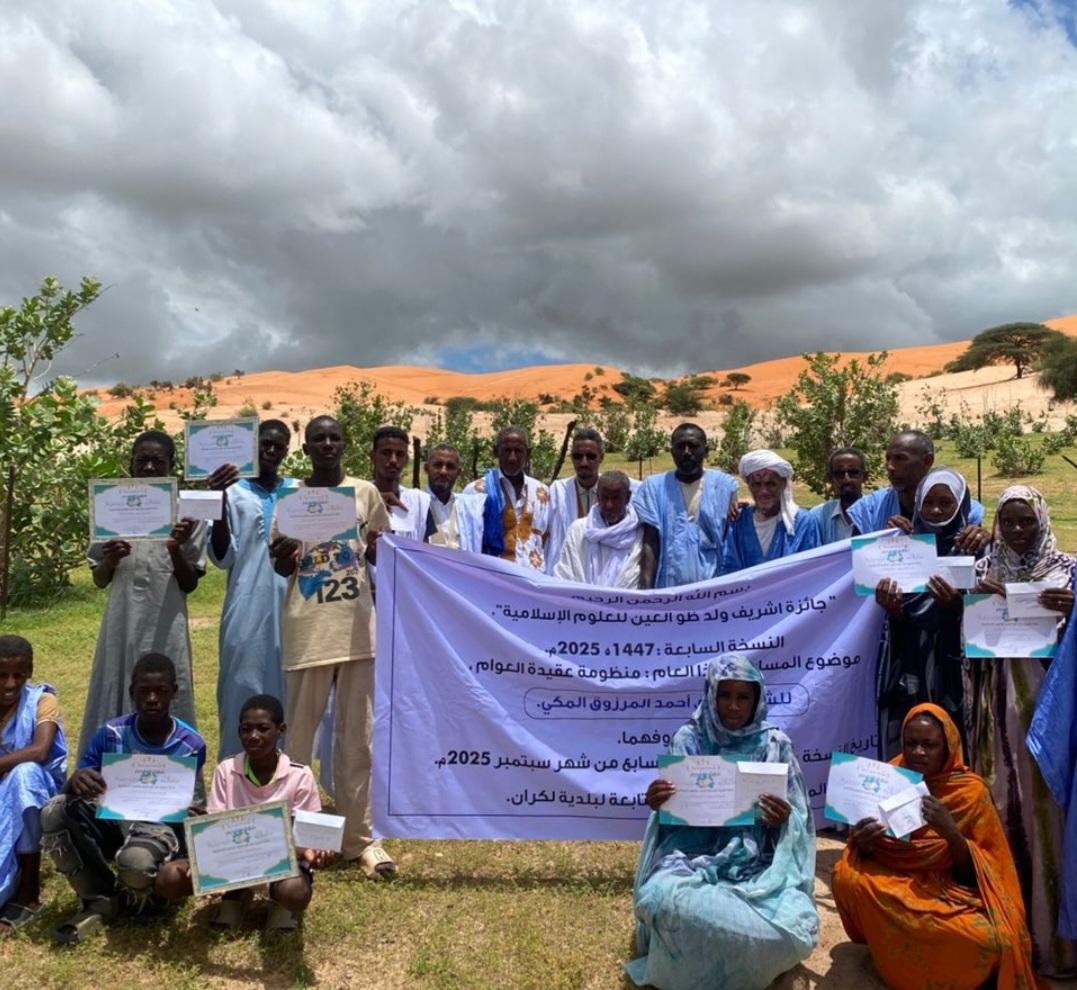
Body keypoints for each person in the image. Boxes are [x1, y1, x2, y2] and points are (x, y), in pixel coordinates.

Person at [627, 654, 818, 990]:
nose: (733, 706)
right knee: (659, 896)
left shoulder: (775, 745)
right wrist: (660, 803)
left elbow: (800, 823)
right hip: (689, 859)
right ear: (710, 694)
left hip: (759, 867)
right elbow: (674, 821)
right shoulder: (689, 739)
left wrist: (783, 819)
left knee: (794, 926)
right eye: (724, 695)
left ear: (757, 700)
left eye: (743, 697)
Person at [832, 703, 1040, 990]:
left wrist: (950, 833)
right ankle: (890, 958)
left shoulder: (970, 792)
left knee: (993, 941)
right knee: (845, 877)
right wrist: (864, 841)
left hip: (949, 890)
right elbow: (872, 850)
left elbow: (983, 872)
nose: (918, 752)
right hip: (896, 880)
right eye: (911, 743)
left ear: (948, 747)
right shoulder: (889, 776)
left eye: (929, 745)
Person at [269, 415, 394, 879]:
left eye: (334, 438)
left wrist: (378, 546)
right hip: (308, 630)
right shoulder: (291, 498)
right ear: (305, 449)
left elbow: (379, 552)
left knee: (357, 740)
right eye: (317, 438)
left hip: (358, 631)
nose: (326, 444)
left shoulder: (365, 493)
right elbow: (281, 567)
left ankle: (358, 839)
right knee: (298, 743)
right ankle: (295, 838)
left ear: (344, 444)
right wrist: (283, 555)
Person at [965, 486, 1076, 975]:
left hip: (1048, 722)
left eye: (1026, 521)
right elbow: (966, 645)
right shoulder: (982, 570)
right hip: (995, 721)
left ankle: (1054, 948)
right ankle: (1009, 945)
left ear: (1042, 520)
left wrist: (1073, 610)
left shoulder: (1067, 573)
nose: (1016, 531)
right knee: (1001, 816)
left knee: (1047, 819)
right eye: (1007, 521)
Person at [41, 654, 206, 944]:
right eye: (144, 691)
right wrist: (76, 779)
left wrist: (189, 812)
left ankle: (149, 898)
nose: (152, 699)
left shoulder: (191, 744)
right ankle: (100, 896)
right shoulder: (111, 734)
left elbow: (183, 803)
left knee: (136, 862)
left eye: (161, 691)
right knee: (54, 811)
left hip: (157, 828)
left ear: (174, 692)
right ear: (132, 693)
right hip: (113, 820)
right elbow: (77, 785)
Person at [156, 694, 334, 931]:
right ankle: (236, 894)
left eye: (263, 729)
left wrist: (315, 852)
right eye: (246, 729)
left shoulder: (300, 775)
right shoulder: (226, 770)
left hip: (281, 863)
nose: (253, 736)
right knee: (169, 878)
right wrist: (206, 865)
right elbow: (216, 831)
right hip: (232, 860)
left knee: (296, 893)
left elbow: (307, 838)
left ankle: (279, 901)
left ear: (281, 730)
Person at [81, 430, 207, 757]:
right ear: (131, 464)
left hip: (167, 621)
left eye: (157, 461)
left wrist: (175, 547)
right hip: (122, 619)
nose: (149, 467)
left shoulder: (188, 514)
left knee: (168, 685)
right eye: (142, 460)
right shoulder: (111, 506)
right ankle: (110, 766)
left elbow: (190, 583)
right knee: (117, 681)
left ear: (172, 465)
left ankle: (174, 768)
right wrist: (110, 559)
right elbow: (99, 579)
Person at [206, 419, 293, 762]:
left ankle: (285, 778)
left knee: (288, 688)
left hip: (292, 604)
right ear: (252, 446)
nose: (270, 451)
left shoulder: (297, 491)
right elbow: (222, 556)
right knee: (240, 684)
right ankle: (234, 775)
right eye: (264, 444)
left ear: (287, 450)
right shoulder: (232, 492)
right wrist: (217, 501)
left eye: (278, 446)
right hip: (245, 605)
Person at [873, 468, 973, 758]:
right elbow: (899, 619)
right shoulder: (902, 550)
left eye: (946, 503)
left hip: (957, 671)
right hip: (911, 666)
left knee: (957, 741)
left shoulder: (975, 548)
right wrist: (895, 611)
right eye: (928, 503)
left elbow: (986, 617)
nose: (936, 510)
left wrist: (957, 607)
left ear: (961, 504)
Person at [0, 635, 66, 935]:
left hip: (34, 791)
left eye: (19, 675)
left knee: (23, 775)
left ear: (30, 672)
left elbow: (40, 751)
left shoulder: (42, 700)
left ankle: (28, 891)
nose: (10, 684)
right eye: (2, 675)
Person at [634, 423, 739, 588]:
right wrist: (645, 593)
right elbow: (650, 543)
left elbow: (732, 542)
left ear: (706, 450)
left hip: (715, 591)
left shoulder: (724, 486)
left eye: (693, 446)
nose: (687, 452)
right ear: (672, 452)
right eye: (680, 447)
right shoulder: (654, 488)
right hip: (668, 591)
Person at [847, 431, 988, 552]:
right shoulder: (869, 510)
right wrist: (886, 539)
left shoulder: (966, 511)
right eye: (888, 459)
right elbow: (855, 560)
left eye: (899, 458)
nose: (890, 467)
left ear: (927, 460)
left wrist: (984, 540)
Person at [464, 426, 552, 572]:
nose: (512, 458)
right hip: (493, 576)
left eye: (518, 451)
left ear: (528, 453)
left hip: (534, 578)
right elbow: (467, 541)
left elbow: (546, 539)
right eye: (506, 450)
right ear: (495, 451)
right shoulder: (476, 491)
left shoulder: (542, 492)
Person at [722, 450, 820, 572]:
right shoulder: (738, 520)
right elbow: (728, 568)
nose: (763, 491)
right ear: (749, 486)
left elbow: (813, 571)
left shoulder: (802, 522)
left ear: (783, 484)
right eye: (756, 484)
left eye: (770, 484)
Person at [554, 471, 643, 588]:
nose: (609, 505)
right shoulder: (579, 530)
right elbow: (565, 574)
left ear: (627, 497)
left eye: (615, 498)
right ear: (597, 497)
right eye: (605, 498)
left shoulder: (639, 533)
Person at [545, 427, 605, 574]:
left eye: (591, 456)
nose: (584, 463)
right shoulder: (558, 491)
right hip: (564, 574)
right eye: (578, 456)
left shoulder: (613, 492)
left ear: (601, 457)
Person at [371, 426, 431, 541]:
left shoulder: (420, 502)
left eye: (400, 454)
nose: (393, 460)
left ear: (406, 460)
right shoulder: (358, 499)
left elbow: (426, 549)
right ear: (373, 457)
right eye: (386, 453)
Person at [423, 442, 485, 553]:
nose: (443, 471)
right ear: (426, 468)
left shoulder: (469, 506)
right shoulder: (415, 503)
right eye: (438, 465)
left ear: (458, 473)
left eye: (450, 467)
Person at [809, 447, 866, 544]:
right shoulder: (817, 517)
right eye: (839, 474)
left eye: (853, 473)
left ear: (865, 477)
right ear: (830, 478)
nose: (847, 480)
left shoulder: (878, 514)